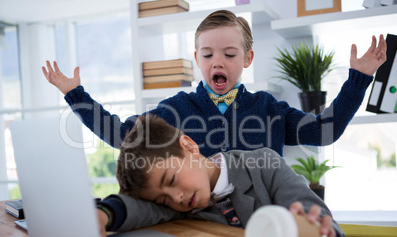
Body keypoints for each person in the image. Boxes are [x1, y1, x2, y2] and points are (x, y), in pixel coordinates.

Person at [42, 10, 387, 157]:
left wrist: (359, 80)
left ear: (248, 59)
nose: (217, 61)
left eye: (229, 54)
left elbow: (324, 132)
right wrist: (75, 94)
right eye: (207, 55)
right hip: (201, 227)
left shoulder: (269, 109)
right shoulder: (175, 110)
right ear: (197, 59)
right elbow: (122, 136)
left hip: (262, 227)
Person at [95, 114, 346, 237]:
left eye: (171, 179)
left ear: (189, 146)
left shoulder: (264, 165)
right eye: (162, 199)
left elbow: (329, 229)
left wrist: (316, 232)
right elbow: (137, 208)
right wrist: (103, 214)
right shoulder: (179, 206)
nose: (175, 199)